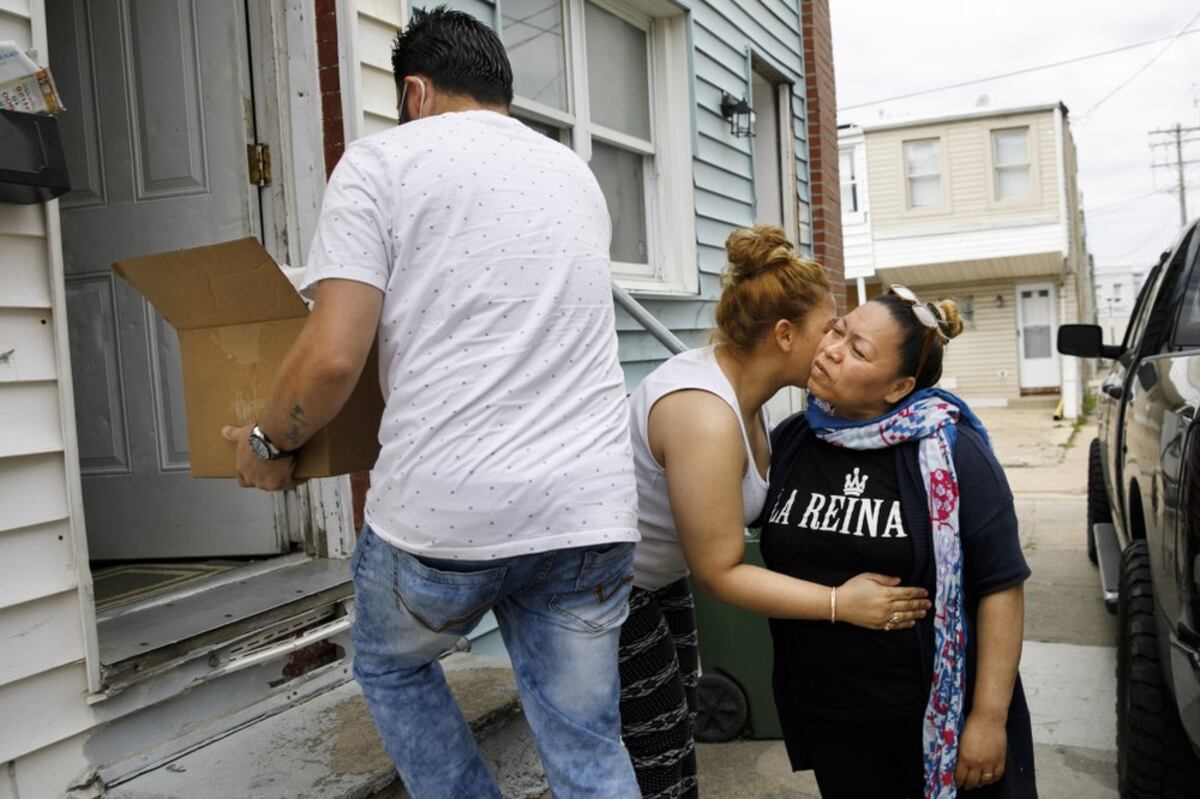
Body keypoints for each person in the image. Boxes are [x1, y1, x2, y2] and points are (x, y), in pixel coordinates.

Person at [222, 8, 642, 798]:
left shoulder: (382, 164)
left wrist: (267, 445)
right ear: (500, 92)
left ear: (414, 91)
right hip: (589, 511)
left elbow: (334, 354)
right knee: (588, 748)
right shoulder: (573, 171)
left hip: (448, 513)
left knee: (388, 662)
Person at [619, 226, 935, 799]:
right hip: (610, 588)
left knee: (672, 739)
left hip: (661, 579)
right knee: (658, 762)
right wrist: (842, 604)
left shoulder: (755, 402)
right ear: (786, 335)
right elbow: (720, 571)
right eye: (830, 328)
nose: (837, 342)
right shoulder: (705, 415)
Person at [760, 286, 1036, 798]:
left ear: (898, 387)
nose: (833, 349)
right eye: (839, 330)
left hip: (925, 716)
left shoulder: (950, 451)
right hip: (830, 716)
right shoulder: (794, 440)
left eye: (860, 350)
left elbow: (1001, 585)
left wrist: (988, 718)